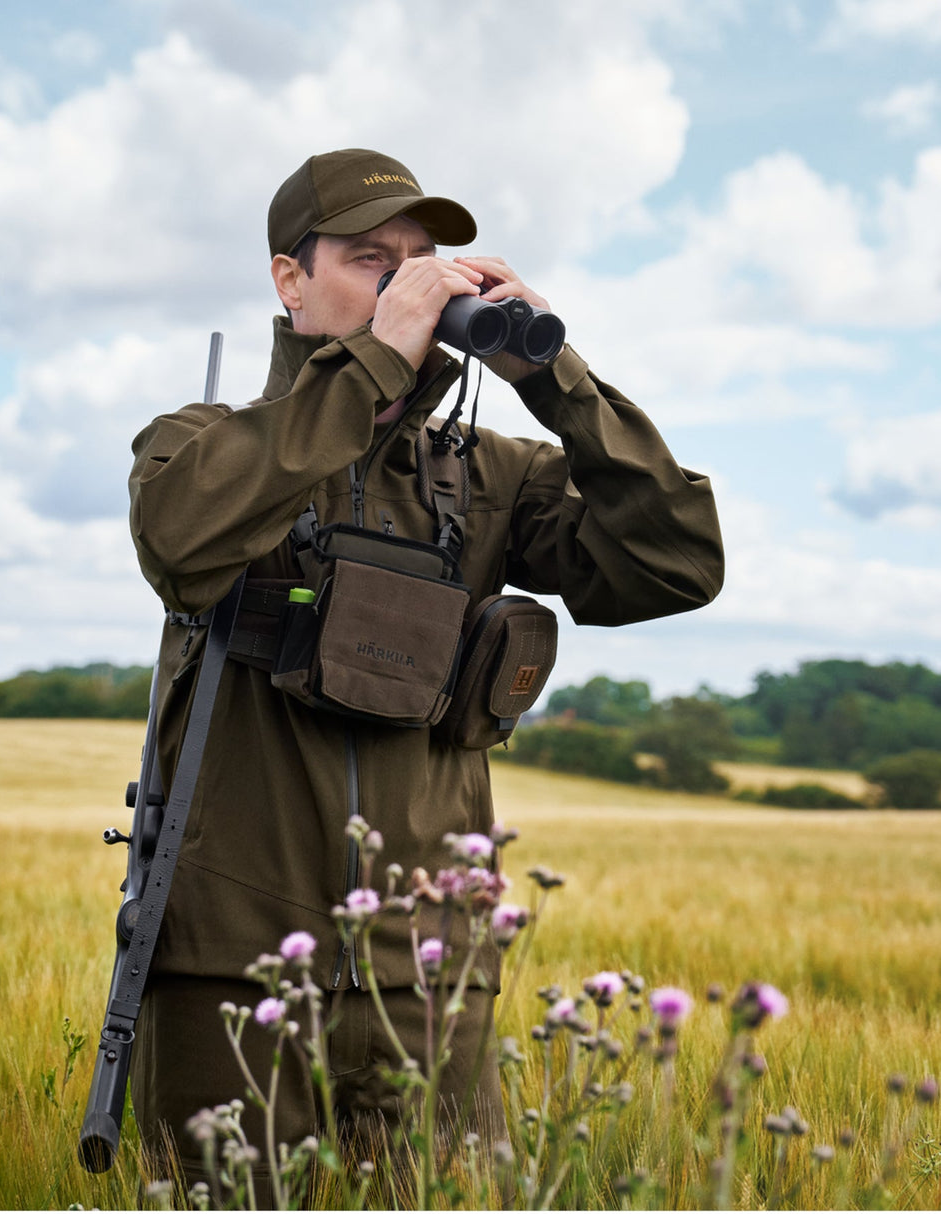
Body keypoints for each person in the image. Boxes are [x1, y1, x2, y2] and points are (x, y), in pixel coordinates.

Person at [126, 148, 724, 1193]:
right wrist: (369, 370)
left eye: (423, 263)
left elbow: (677, 561)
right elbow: (182, 544)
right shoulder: (202, 443)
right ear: (288, 278)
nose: (409, 284)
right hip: (234, 974)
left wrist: (558, 379)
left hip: (430, 984)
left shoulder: (488, 476)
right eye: (371, 260)